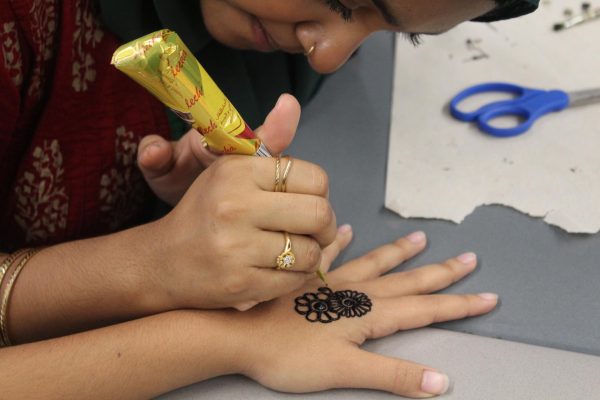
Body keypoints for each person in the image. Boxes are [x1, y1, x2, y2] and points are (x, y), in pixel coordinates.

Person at [0, 0, 538, 398]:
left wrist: (170, 210)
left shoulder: (266, 36)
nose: (326, 56)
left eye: (393, 33)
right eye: (341, 0)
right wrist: (208, 322)